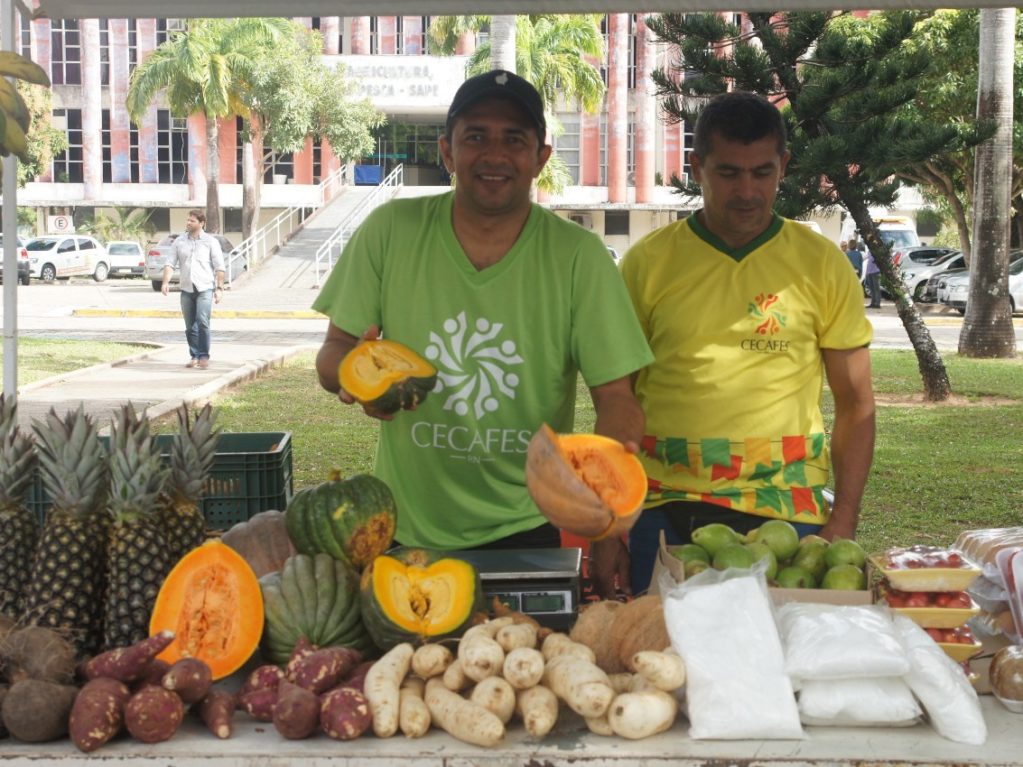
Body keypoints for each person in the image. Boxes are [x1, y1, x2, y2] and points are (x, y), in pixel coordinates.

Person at [312, 70, 653, 598]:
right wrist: (357, 378)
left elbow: (617, 400)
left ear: (540, 156)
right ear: (448, 151)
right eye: (476, 137)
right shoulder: (389, 232)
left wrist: (608, 496)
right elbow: (333, 353)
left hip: (527, 524)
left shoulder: (578, 258)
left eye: (514, 139)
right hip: (404, 527)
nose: (494, 154)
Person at [620, 91, 876, 595]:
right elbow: (616, 399)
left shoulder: (821, 263)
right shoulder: (648, 262)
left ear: (783, 165)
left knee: (780, 662)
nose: (746, 190)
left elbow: (856, 404)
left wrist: (842, 519)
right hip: (661, 507)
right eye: (728, 173)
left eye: (762, 172)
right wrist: (616, 517)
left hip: (786, 513)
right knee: (664, 660)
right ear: (696, 167)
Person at [161, 209, 225, 369]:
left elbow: (219, 267)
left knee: (202, 322)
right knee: (190, 326)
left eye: (192, 221)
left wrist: (219, 289)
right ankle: (194, 355)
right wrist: (165, 282)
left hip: (205, 288)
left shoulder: (210, 242)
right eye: (187, 220)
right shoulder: (179, 242)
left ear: (202, 223)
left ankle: (203, 355)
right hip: (186, 289)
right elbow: (170, 263)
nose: (188, 223)